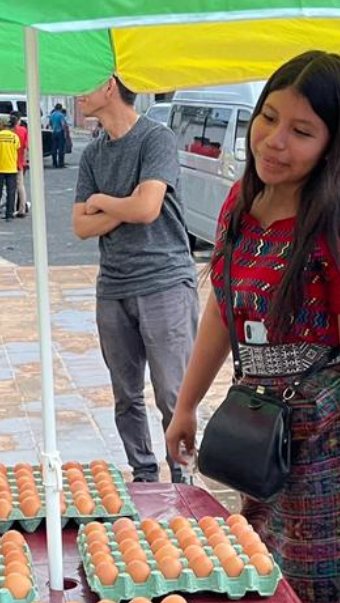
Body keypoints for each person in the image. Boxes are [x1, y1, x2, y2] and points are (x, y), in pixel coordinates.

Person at [164, 52, 340, 603]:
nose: (273, 141)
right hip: (262, 437)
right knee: (267, 578)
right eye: (267, 118)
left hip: (332, 446)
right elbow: (222, 309)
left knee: (329, 598)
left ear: (335, 141)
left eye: (301, 131)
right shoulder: (243, 203)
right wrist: (187, 404)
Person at [74, 75, 200, 486]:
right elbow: (79, 226)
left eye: (83, 85)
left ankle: (182, 478)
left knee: (172, 394)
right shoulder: (93, 154)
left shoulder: (155, 139)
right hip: (113, 287)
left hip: (164, 280)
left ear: (109, 86)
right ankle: (144, 474)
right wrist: (129, 204)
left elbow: (147, 210)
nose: (77, 94)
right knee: (125, 395)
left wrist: (102, 203)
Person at [0, 114, 21, 221]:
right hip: (11, 168)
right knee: (11, 193)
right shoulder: (14, 137)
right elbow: (17, 149)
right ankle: (9, 215)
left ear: (2, 124)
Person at [13, 112, 31, 217]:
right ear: (18, 120)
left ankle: (10, 208)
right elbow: (27, 146)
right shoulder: (23, 130)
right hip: (21, 162)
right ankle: (21, 208)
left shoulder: (7, 131)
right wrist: (27, 160)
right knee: (20, 186)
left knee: (11, 187)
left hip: (8, 162)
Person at [50, 102, 70, 168]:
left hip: (53, 132)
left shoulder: (52, 114)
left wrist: (53, 127)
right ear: (60, 108)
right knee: (61, 149)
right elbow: (63, 124)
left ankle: (54, 163)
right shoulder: (61, 115)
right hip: (60, 132)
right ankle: (61, 163)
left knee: (54, 148)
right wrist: (65, 133)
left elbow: (50, 123)